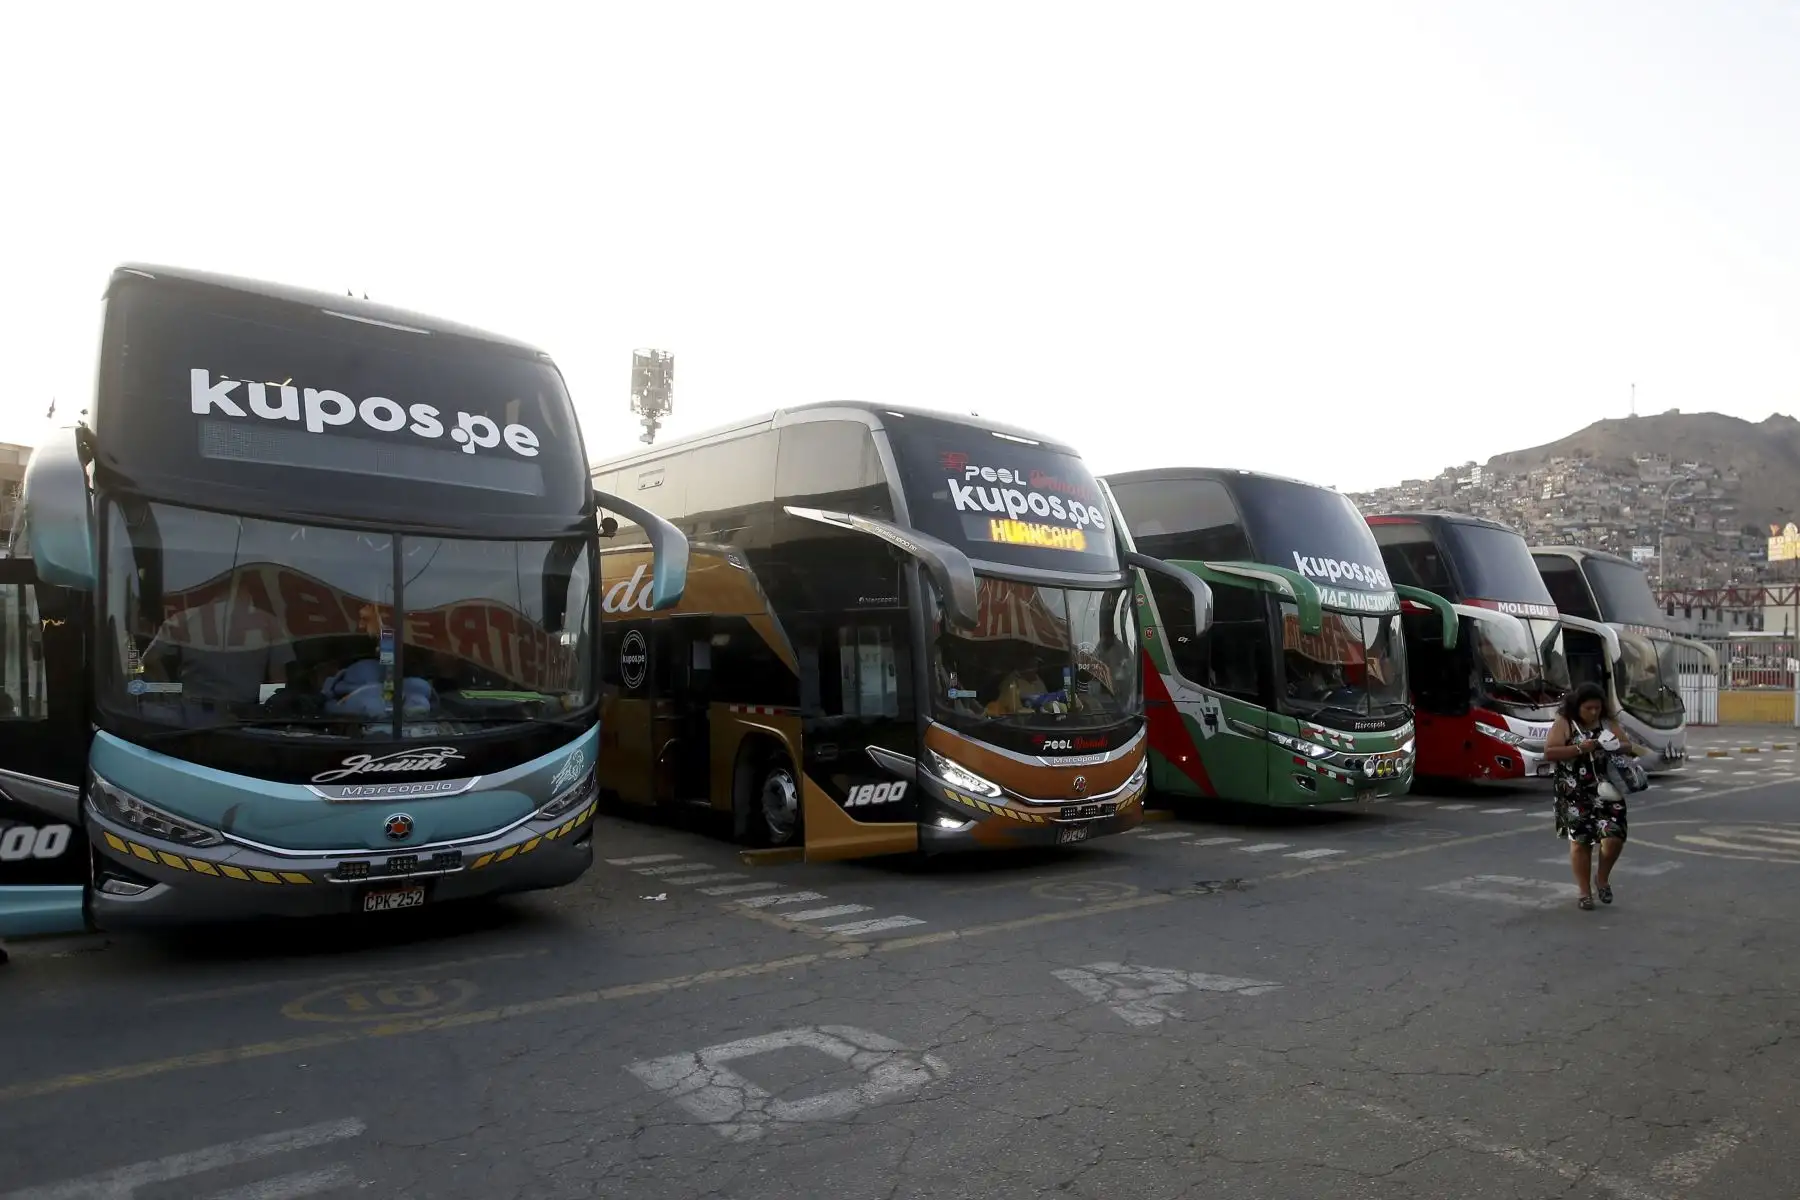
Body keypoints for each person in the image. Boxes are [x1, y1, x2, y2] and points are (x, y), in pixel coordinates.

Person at [1544, 681, 1647, 910]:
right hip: (1574, 790)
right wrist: (1580, 748)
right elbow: (1550, 752)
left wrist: (1613, 745)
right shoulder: (1565, 723)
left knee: (1614, 836)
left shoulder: (1607, 722)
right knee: (1580, 842)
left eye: (1597, 708)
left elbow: (1627, 745)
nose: (1593, 712)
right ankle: (1584, 892)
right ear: (1577, 706)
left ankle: (1601, 878)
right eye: (1588, 708)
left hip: (1607, 789)